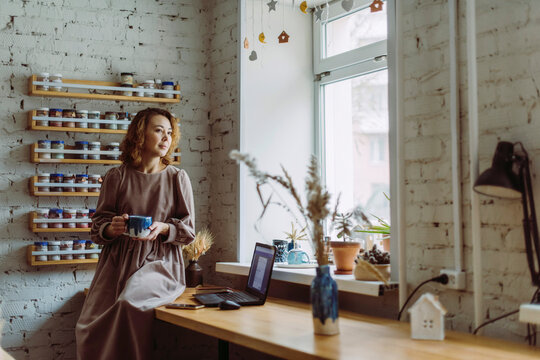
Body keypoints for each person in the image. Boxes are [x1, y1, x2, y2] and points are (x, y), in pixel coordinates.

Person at [75, 108, 195, 360]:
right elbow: (98, 227)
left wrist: (164, 228)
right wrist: (112, 227)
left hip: (159, 264)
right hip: (116, 263)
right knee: (87, 326)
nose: (166, 138)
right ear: (141, 134)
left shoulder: (177, 178)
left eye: (170, 132)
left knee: (129, 305)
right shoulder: (116, 176)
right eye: (159, 130)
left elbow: (188, 231)